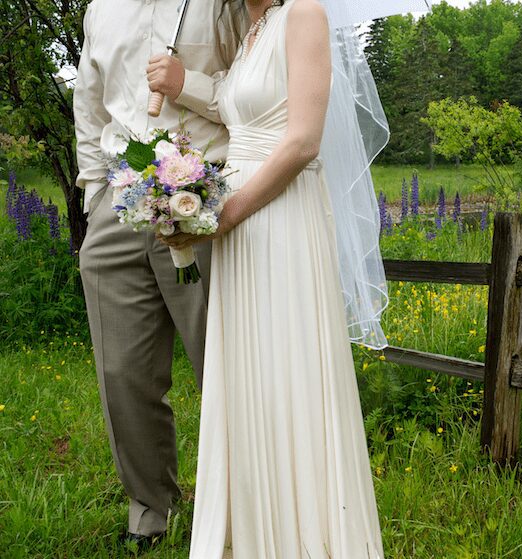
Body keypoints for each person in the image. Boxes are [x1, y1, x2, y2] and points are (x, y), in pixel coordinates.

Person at [156, 0, 392, 555]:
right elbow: (233, 106)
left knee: (289, 362)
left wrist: (228, 212)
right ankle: (253, 528)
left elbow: (302, 141)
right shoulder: (251, 31)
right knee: (249, 368)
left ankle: (305, 533)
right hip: (239, 224)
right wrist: (179, 82)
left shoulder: (304, 14)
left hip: (280, 214)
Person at [73, 0, 246, 549]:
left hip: (206, 204)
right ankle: (148, 509)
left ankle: (243, 508)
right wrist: (95, 194)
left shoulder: (225, 3)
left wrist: (185, 83)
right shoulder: (101, 9)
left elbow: (258, 93)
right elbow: (90, 103)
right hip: (119, 203)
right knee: (123, 374)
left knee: (221, 365)